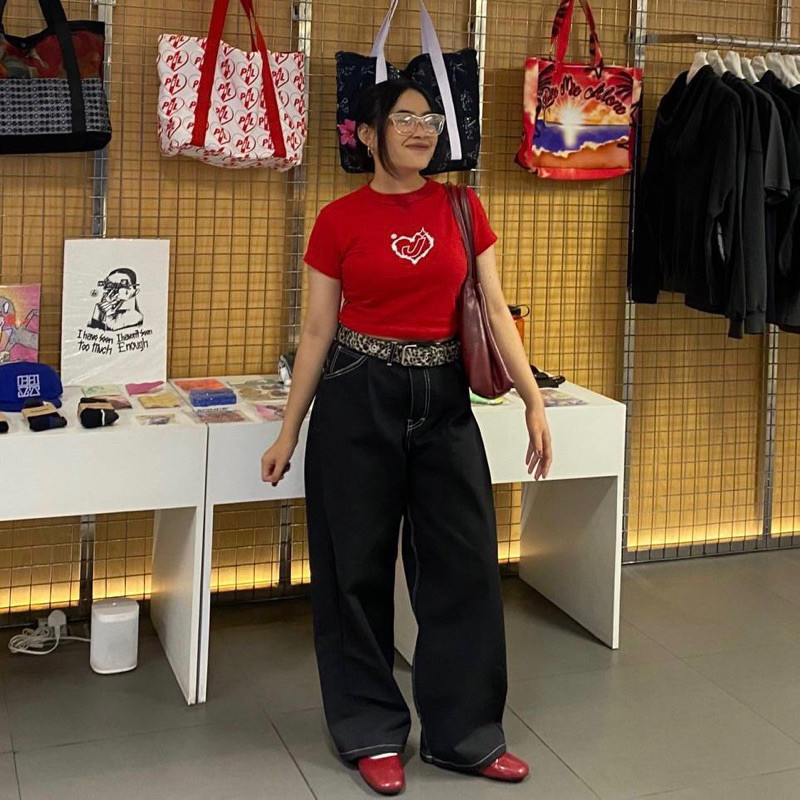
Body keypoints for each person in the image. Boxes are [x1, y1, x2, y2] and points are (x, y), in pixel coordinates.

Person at [261, 77, 553, 795]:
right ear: (367, 134)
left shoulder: (462, 207)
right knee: (353, 569)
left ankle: (466, 735)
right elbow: (317, 330)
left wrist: (533, 400)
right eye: (403, 119)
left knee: (464, 565)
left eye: (430, 119)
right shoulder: (339, 219)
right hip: (357, 395)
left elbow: (494, 307)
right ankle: (370, 730)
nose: (421, 130)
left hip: (444, 398)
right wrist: (288, 431)